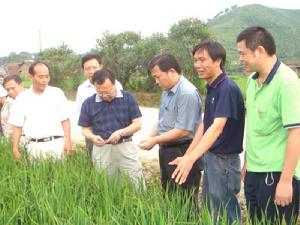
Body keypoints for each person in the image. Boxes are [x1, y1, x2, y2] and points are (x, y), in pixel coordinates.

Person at [169, 40, 245, 224]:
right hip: (212, 157)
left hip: (224, 161)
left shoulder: (227, 88)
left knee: (226, 214)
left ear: (218, 60)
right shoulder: (212, 87)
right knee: (212, 209)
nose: (197, 65)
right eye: (195, 60)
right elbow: (205, 125)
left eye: (202, 60)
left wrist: (192, 158)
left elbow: (217, 127)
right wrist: (188, 155)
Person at [236, 26, 300, 224]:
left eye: (242, 53)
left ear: (260, 51)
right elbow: (254, 127)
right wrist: (247, 163)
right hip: (254, 173)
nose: (240, 59)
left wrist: (286, 181)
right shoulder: (251, 82)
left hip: (276, 175)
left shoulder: (287, 82)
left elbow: (296, 132)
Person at [138, 53, 202, 206]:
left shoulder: (186, 93)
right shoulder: (167, 91)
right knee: (169, 195)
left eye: (158, 77)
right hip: (166, 149)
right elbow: (162, 121)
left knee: (185, 200)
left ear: (172, 71)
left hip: (182, 150)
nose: (156, 81)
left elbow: (184, 130)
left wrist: (154, 140)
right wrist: (150, 137)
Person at [78, 68, 144, 190]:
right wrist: (93, 137)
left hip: (125, 146)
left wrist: (121, 132)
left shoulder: (128, 98)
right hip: (101, 148)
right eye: (100, 92)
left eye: (108, 91)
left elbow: (137, 124)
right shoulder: (89, 103)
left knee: (136, 183)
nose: (104, 96)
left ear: (114, 84)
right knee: (106, 187)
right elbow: (85, 129)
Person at [9, 62, 72, 160]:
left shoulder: (57, 93)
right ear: (31, 77)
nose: (44, 80)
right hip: (35, 146)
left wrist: (68, 141)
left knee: (61, 174)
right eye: (41, 77)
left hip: (57, 144)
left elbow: (65, 119)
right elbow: (17, 125)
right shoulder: (22, 98)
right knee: (37, 175)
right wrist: (15, 149)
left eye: (47, 76)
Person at [75, 53, 123, 158]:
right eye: (88, 68)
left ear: (101, 67)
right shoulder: (82, 89)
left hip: (114, 134)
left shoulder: (116, 84)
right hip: (93, 135)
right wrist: (91, 135)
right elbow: (80, 113)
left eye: (94, 67)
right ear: (83, 70)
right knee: (96, 165)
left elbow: (121, 108)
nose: (91, 71)